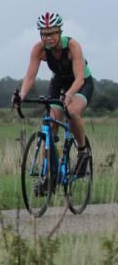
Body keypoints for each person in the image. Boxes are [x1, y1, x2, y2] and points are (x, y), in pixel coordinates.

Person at [15, 12, 92, 176]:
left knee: (71, 111)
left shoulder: (72, 46)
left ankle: (83, 151)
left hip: (81, 82)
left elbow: (79, 79)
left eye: (52, 33)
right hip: (58, 82)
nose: (48, 37)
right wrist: (21, 95)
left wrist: (70, 95)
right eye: (44, 33)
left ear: (59, 32)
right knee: (49, 124)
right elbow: (30, 76)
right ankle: (47, 173)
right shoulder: (39, 49)